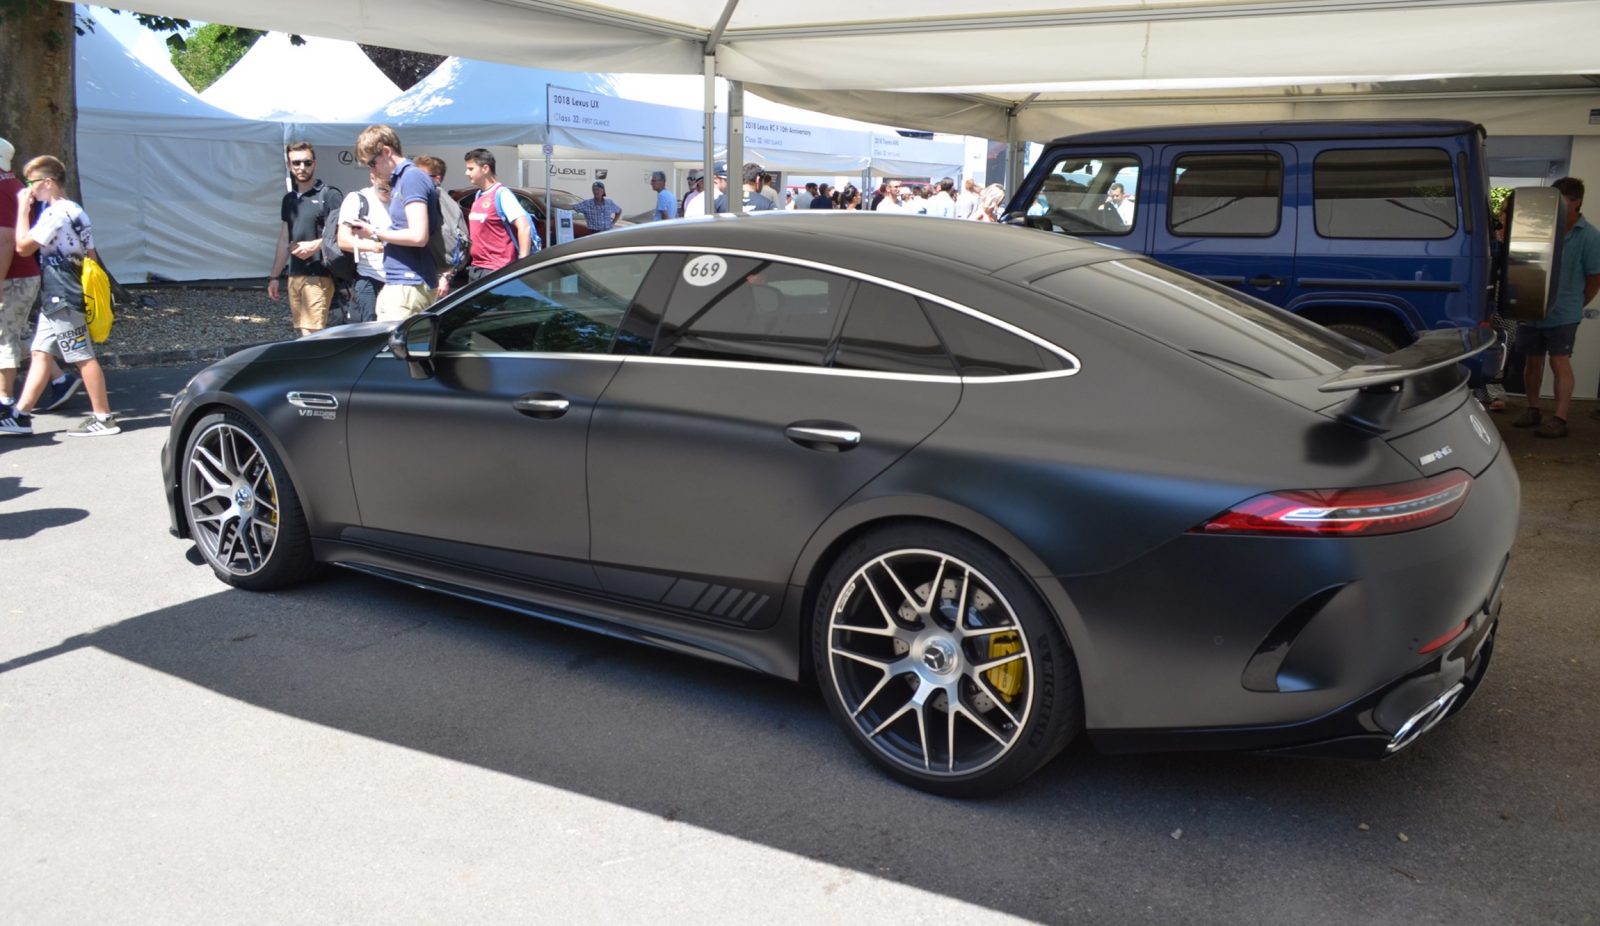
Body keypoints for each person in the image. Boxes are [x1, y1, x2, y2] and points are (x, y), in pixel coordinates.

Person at [0, 155, 119, 437]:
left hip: (62, 293)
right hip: (63, 291)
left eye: (32, 183)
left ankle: (103, 417)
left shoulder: (55, 214)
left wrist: (20, 211)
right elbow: (90, 253)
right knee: (40, 351)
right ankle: (21, 415)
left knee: (82, 355)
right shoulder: (76, 210)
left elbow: (22, 247)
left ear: (48, 183)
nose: (29, 189)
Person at [1513, 177, 1600, 438]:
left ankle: (1560, 418)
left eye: (1559, 202)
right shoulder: (1540, 230)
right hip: (1532, 309)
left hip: (1565, 312)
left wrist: (1575, 304)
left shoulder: (1590, 237)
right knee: (1532, 362)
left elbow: (1595, 279)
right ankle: (1533, 409)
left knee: (1560, 362)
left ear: (1576, 202)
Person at [1, 137, 78, 414]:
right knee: (24, 337)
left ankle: (6, 402)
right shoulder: (16, 188)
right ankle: (59, 380)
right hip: (33, 276)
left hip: (19, 277)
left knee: (3, 336)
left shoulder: (5, 191)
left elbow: (10, 241)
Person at [348, 124, 439, 322]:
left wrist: (375, 232)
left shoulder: (411, 178)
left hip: (409, 283)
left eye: (372, 163)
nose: (372, 169)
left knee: (393, 350)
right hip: (403, 282)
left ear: (387, 152)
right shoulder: (402, 180)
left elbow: (418, 236)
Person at [266, 141, 341, 337]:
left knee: (312, 334)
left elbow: (342, 233)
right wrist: (274, 277)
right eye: (296, 163)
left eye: (307, 163)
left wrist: (315, 245)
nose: (302, 168)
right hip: (295, 274)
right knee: (303, 332)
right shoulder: (289, 199)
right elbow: (284, 238)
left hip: (320, 274)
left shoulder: (329, 195)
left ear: (314, 164)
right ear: (289, 165)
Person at [462, 148, 534, 281]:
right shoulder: (478, 195)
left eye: (471, 169)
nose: (466, 173)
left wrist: (522, 265)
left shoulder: (502, 194)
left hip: (497, 270)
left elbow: (524, 227)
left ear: (485, 168)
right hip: (477, 268)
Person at [334, 166, 392, 323]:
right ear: (372, 177)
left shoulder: (402, 200)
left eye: (393, 186)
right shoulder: (358, 199)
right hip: (369, 277)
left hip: (398, 279)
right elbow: (343, 240)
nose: (389, 192)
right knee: (369, 331)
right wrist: (374, 246)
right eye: (383, 188)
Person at [413, 155, 468, 298]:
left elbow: (454, 241)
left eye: (421, 176)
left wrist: (445, 277)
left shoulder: (442, 202)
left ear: (437, 178)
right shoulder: (421, 198)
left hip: (432, 279)